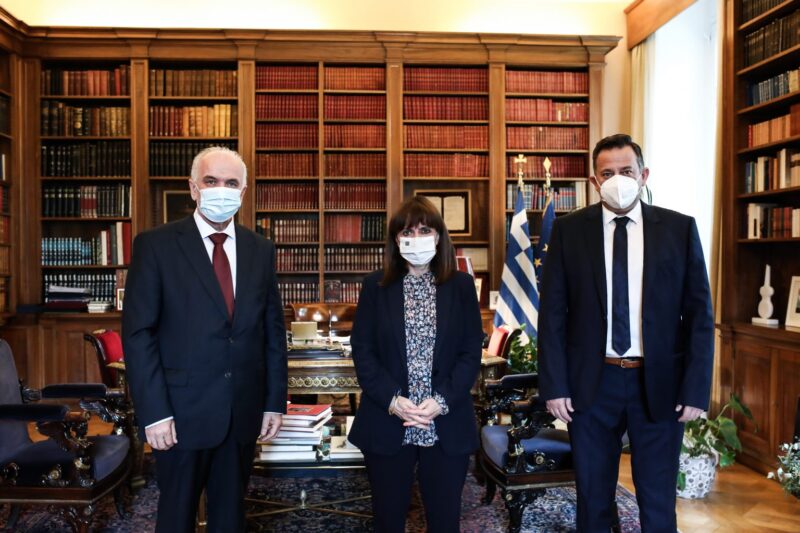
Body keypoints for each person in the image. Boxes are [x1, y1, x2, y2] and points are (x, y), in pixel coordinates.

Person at [538, 134, 713, 533]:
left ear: (643, 175)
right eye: (607, 173)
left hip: (659, 383)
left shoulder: (679, 228)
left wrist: (696, 389)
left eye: (626, 171)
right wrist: (555, 386)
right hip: (591, 384)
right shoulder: (568, 231)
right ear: (594, 181)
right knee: (593, 497)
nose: (618, 179)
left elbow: (699, 316)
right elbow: (552, 317)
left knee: (657, 499)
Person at [122, 146, 287, 533]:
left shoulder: (260, 249)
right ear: (194, 188)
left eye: (231, 183)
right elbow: (139, 333)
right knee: (176, 517)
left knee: (230, 518)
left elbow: (272, 331)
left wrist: (273, 402)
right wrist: (154, 412)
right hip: (179, 413)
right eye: (211, 181)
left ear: (243, 192)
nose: (221, 190)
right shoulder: (156, 245)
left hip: (242, 410)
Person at [349, 195, 484, 533]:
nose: (416, 238)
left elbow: (470, 352)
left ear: (439, 236)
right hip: (388, 418)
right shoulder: (375, 286)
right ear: (396, 240)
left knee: (445, 520)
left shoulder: (461, 286)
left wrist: (441, 401)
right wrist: (393, 401)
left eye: (425, 230)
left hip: (445, 420)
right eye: (407, 232)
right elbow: (363, 352)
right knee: (388, 519)